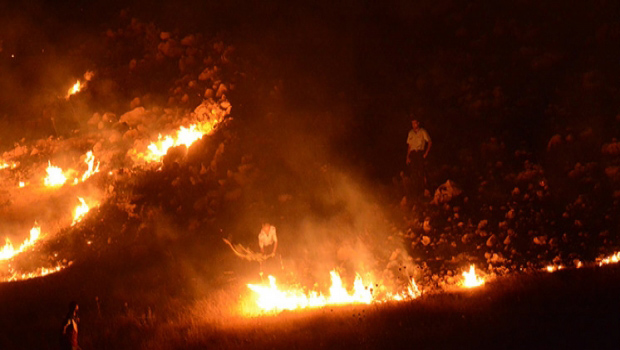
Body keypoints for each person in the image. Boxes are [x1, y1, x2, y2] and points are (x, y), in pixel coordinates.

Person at [406, 118, 432, 197]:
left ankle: (423, 189)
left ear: (418, 123)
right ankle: (415, 191)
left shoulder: (422, 131)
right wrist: (407, 156)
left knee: (421, 171)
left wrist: (426, 153)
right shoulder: (410, 133)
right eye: (412, 123)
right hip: (413, 154)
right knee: (414, 172)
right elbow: (409, 146)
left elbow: (429, 142)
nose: (414, 125)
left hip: (420, 153)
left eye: (415, 123)